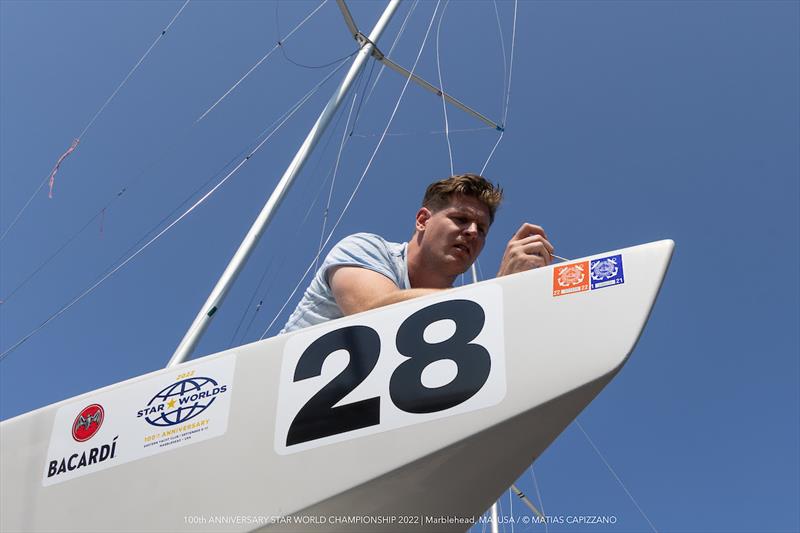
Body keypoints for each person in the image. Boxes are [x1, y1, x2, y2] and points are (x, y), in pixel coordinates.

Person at [280, 173, 555, 334]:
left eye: (482, 229)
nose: (472, 232)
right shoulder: (364, 247)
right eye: (460, 219)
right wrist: (498, 291)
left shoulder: (462, 314)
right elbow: (373, 315)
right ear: (423, 220)